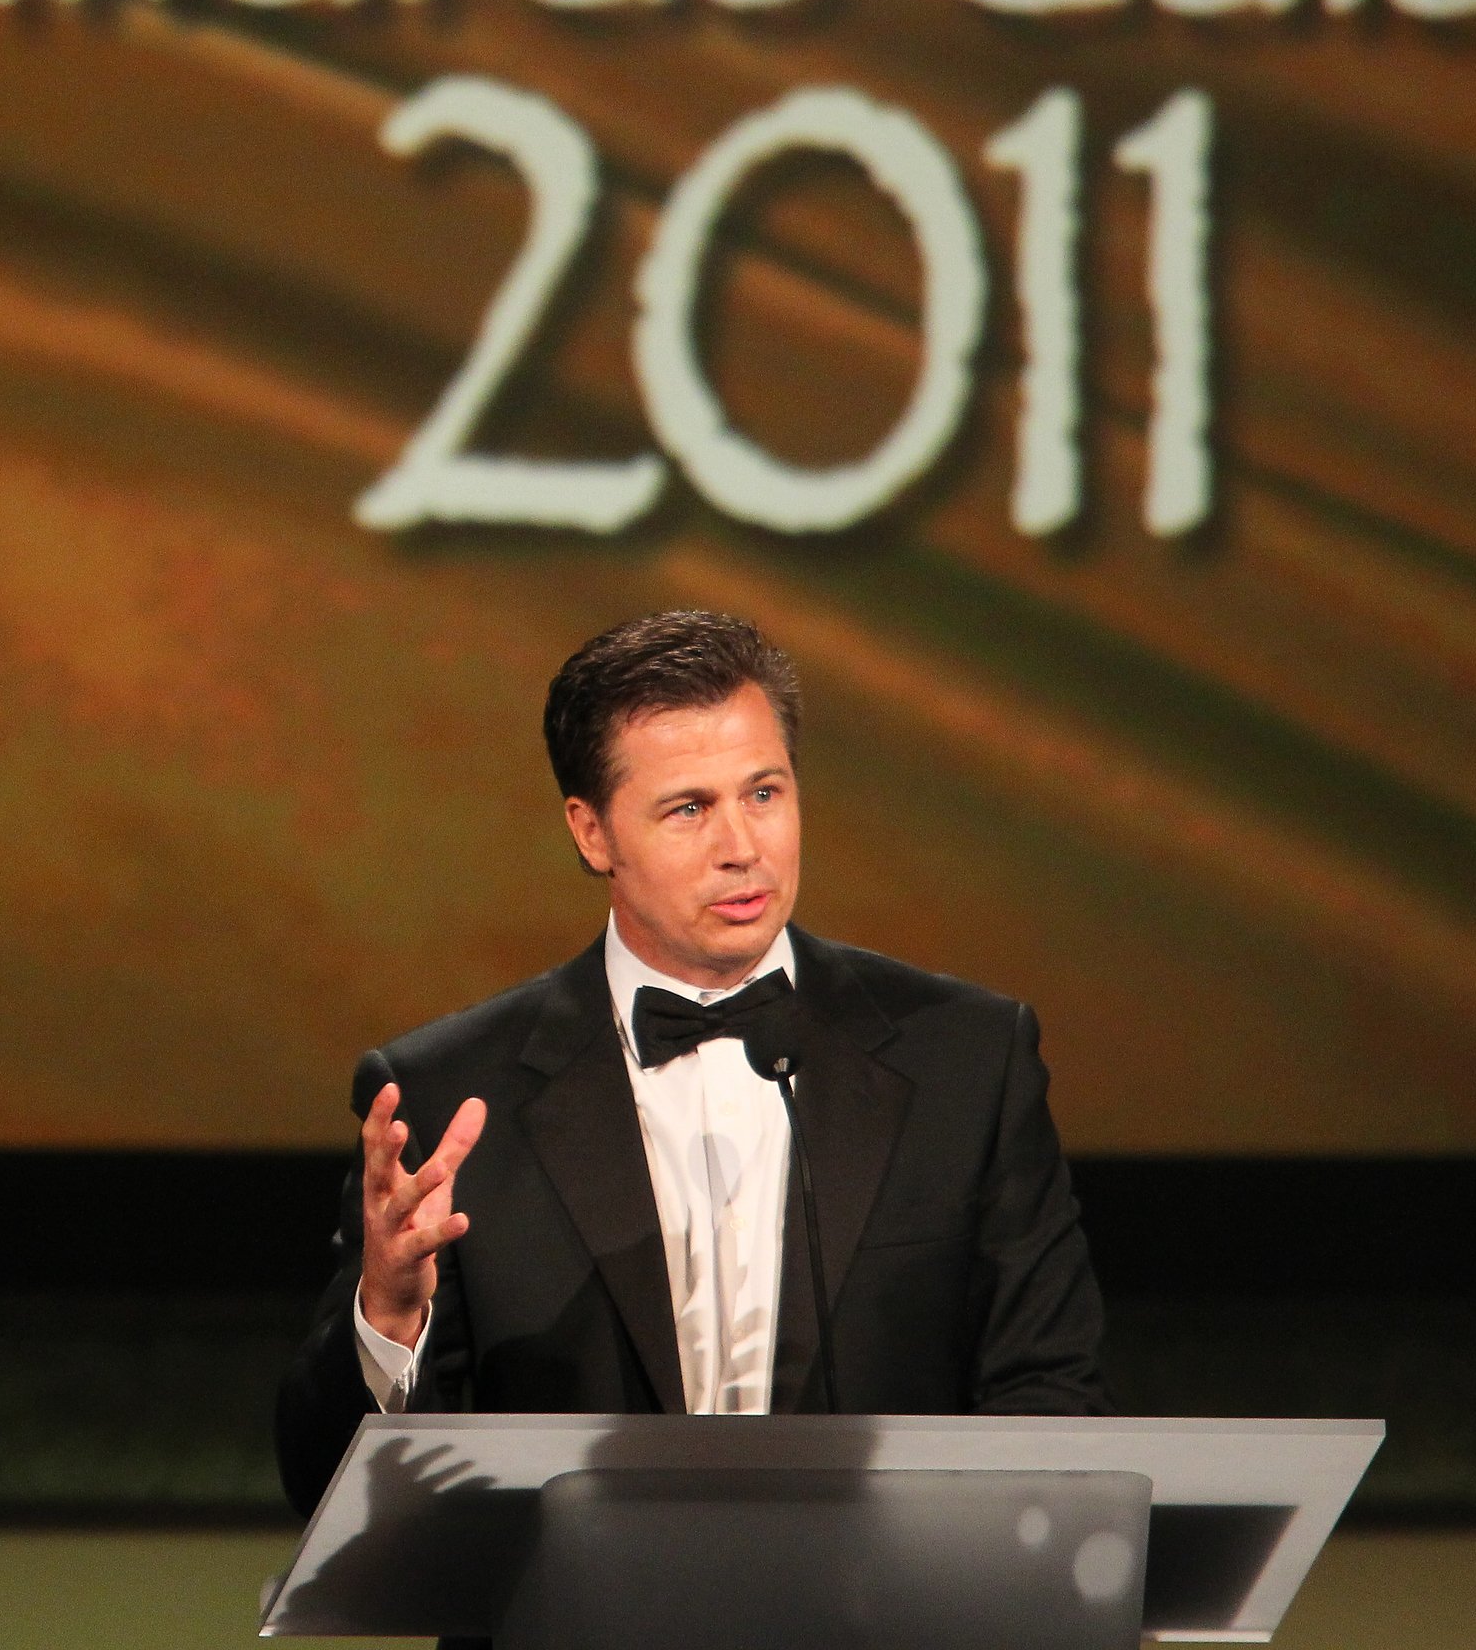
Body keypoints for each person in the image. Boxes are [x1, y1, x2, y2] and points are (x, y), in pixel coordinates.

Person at [275, 610, 1109, 1517]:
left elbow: (1050, 1398)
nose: (742, 847)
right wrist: (389, 1318)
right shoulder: (449, 1098)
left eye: (764, 794)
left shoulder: (968, 1061)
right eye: (688, 809)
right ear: (592, 834)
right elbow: (328, 1491)